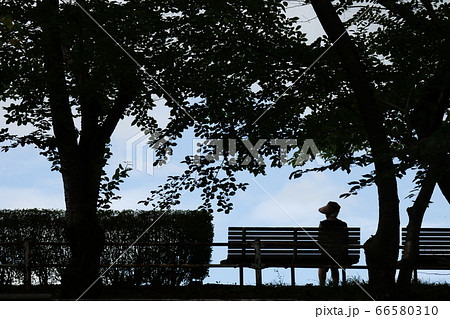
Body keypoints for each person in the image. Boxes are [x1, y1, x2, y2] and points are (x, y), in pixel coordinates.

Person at [317, 201, 349, 286]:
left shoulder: (323, 224)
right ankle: (335, 285)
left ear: (327, 213)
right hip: (340, 255)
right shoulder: (343, 225)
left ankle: (322, 285)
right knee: (334, 266)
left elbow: (320, 241)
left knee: (322, 265)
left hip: (326, 255)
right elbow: (346, 241)